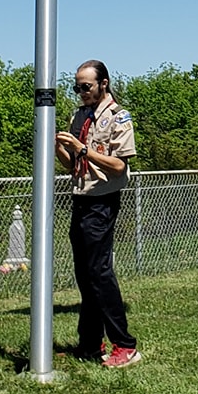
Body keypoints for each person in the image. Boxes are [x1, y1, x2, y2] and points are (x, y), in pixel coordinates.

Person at [55, 61, 140, 367]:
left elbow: (119, 166)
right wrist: (58, 146)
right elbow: (73, 165)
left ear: (103, 83)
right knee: (85, 274)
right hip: (80, 199)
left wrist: (81, 149)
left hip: (102, 201)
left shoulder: (118, 117)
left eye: (86, 86)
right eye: (76, 87)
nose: (80, 92)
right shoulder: (79, 115)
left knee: (100, 273)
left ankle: (125, 345)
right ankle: (91, 344)